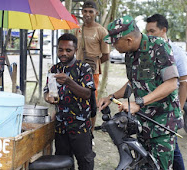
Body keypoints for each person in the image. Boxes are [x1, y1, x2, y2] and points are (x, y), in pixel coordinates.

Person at [99, 15, 183, 170]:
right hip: (143, 124)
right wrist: (111, 97)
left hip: (162, 124)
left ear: (129, 39)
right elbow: (133, 82)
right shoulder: (130, 55)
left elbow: (171, 84)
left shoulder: (159, 47)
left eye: (115, 42)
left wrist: (139, 102)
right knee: (143, 166)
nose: (113, 47)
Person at [44, 33, 96, 170]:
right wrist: (48, 97)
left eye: (68, 50)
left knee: (85, 162)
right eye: (61, 50)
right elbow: (47, 91)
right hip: (61, 126)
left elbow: (87, 94)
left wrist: (69, 81)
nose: (64, 53)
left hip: (80, 127)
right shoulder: (54, 69)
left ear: (75, 51)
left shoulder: (83, 68)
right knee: (62, 163)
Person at [146, 13, 187, 170]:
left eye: (152, 31)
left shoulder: (177, 53)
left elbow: (183, 84)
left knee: (172, 149)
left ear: (163, 30)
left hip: (169, 113)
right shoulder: (148, 51)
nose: (148, 35)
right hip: (151, 110)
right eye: (147, 31)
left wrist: (179, 111)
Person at [75, 0, 110, 132]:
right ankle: (79, 126)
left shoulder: (101, 31)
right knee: (76, 99)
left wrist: (93, 65)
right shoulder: (78, 29)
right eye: (85, 11)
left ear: (96, 13)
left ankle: (90, 131)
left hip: (92, 72)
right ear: (82, 12)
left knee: (91, 101)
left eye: (90, 11)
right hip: (76, 70)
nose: (87, 14)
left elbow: (106, 55)